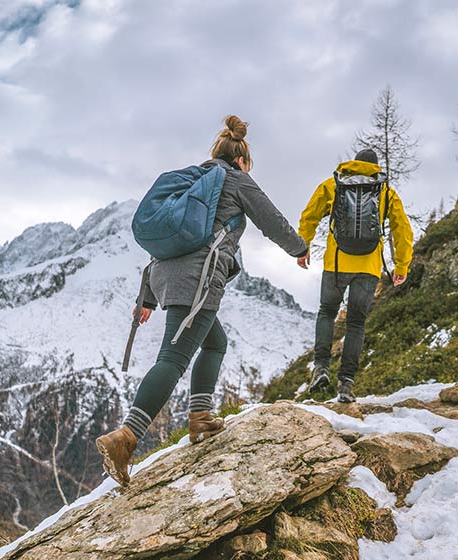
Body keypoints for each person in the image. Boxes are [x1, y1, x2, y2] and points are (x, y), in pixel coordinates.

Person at [96, 115, 308, 486]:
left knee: (215, 342)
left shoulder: (191, 181)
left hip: (166, 277)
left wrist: (146, 296)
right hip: (198, 279)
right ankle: (126, 437)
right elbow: (271, 220)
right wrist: (300, 248)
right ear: (242, 160)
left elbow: (168, 243)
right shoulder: (236, 180)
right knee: (173, 358)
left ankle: (200, 418)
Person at [297, 148, 413, 403]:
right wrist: (401, 265)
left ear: (354, 163)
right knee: (356, 324)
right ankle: (346, 383)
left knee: (327, 312)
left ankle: (321, 368)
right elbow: (402, 229)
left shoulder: (334, 184)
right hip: (369, 266)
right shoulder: (385, 191)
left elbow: (310, 216)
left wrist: (303, 247)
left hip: (337, 264)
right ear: (375, 167)